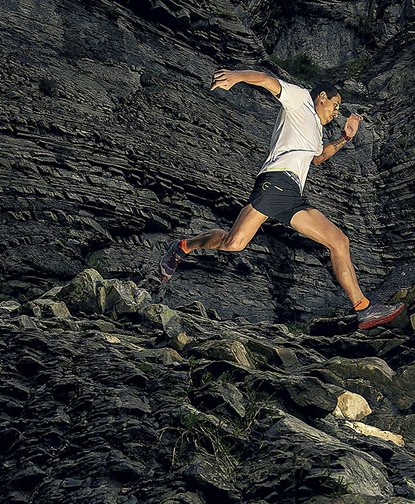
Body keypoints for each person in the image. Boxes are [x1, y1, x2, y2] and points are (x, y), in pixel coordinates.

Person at [159, 69, 405, 330]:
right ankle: (183, 246)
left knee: (339, 241)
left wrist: (345, 138)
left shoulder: (316, 130)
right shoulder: (299, 99)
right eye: (335, 105)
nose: (336, 113)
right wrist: (237, 76)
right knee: (234, 243)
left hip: (293, 194)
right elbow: (268, 81)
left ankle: (364, 309)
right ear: (322, 96)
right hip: (275, 181)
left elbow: (318, 158)